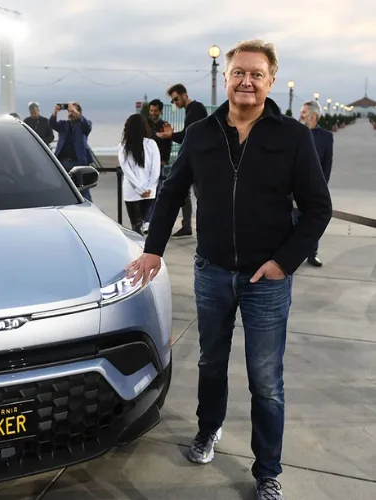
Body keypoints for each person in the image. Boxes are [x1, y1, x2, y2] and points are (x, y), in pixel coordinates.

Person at [125, 39, 332, 500]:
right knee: (210, 361)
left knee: (266, 378)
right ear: (226, 79)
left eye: (257, 74)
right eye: (238, 72)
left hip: (267, 280)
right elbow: (172, 193)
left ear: (271, 81)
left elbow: (319, 208)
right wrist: (153, 249)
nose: (246, 81)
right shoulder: (201, 133)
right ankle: (208, 430)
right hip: (212, 272)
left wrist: (284, 263)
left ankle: (268, 471)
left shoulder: (292, 137)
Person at [157, 84, 208, 238]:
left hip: (199, 160)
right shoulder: (190, 110)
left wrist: (170, 135)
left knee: (201, 196)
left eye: (176, 99)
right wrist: (172, 135)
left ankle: (203, 229)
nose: (176, 103)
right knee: (183, 193)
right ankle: (187, 226)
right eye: (173, 101)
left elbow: (188, 135)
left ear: (184, 95)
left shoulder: (196, 109)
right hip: (192, 159)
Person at [295, 99, 334, 266]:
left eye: (304, 112)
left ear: (314, 115)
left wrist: (322, 186)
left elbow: (327, 163)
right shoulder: (295, 132)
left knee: (313, 221)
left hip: (314, 187)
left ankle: (313, 254)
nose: (300, 115)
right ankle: (291, 256)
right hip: (292, 187)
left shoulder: (326, 136)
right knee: (292, 221)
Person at [117, 113, 161, 234]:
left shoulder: (123, 146)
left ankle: (138, 250)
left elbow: (126, 170)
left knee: (136, 227)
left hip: (131, 191)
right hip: (149, 192)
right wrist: (149, 188)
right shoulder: (151, 144)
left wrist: (140, 189)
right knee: (148, 227)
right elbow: (156, 170)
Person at [50, 102, 94, 201]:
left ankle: (88, 208)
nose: (71, 113)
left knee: (83, 188)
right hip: (63, 161)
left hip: (78, 161)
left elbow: (87, 126)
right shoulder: (63, 124)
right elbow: (52, 124)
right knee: (64, 187)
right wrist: (55, 112)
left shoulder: (84, 124)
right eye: (69, 111)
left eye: (73, 111)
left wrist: (75, 111)